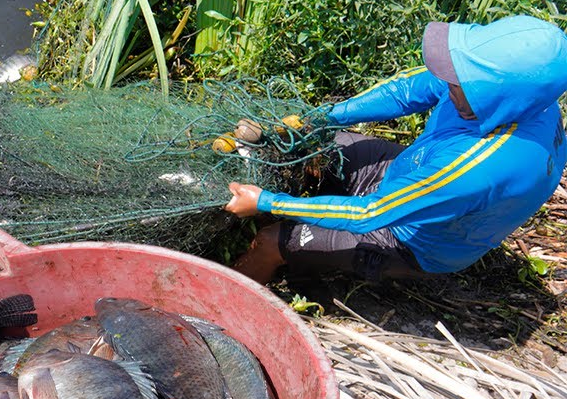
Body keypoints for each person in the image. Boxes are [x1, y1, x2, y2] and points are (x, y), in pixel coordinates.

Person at [225, 15, 567, 284]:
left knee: (269, 241)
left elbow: (370, 214)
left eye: (458, 85)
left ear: (498, 96)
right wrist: (320, 119)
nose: (448, 85)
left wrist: (267, 202)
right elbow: (404, 92)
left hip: (406, 237)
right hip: (408, 171)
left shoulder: (481, 168)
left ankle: (225, 309)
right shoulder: (513, 91)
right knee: (319, 149)